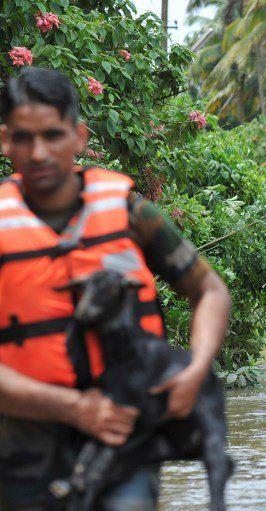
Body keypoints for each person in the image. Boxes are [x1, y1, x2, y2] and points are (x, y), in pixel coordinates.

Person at [0, 67, 232, 510]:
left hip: (128, 441)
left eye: (53, 135)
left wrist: (197, 367)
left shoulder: (129, 213)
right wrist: (74, 408)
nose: (39, 152)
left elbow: (210, 292)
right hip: (21, 453)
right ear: (5, 141)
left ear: (80, 137)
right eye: (24, 139)